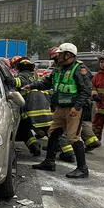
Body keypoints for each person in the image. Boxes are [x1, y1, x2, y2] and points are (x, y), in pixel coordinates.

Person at [24, 43, 92, 178]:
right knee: (53, 133)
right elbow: (47, 82)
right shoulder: (58, 68)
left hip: (74, 109)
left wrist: (76, 107)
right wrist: (31, 86)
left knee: (73, 137)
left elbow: (86, 90)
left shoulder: (80, 69)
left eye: (61, 54)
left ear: (69, 55)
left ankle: (82, 169)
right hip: (60, 107)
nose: (58, 56)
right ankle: (49, 162)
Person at [12, 56, 52, 156]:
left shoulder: (21, 77)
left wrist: (8, 78)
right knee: (50, 131)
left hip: (29, 112)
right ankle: (67, 151)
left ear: (19, 68)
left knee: (24, 129)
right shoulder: (37, 77)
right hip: (45, 110)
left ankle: (34, 146)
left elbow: (13, 83)